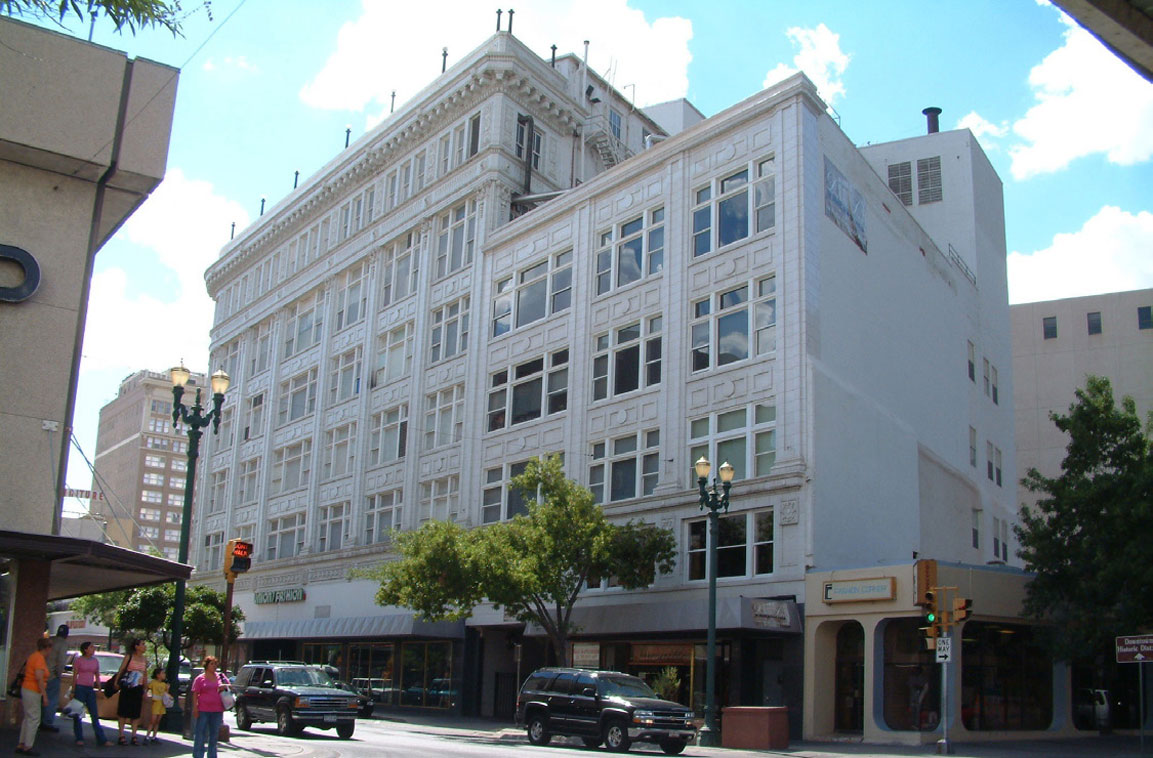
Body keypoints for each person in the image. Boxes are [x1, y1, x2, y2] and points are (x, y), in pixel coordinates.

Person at [16, 637, 53, 756]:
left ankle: (21, 743)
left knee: (28, 717)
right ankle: (28, 746)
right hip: (33, 690)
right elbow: (39, 678)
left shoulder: (33, 656)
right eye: (50, 648)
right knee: (34, 718)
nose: (51, 651)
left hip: (26, 688)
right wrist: (44, 695)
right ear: (46, 648)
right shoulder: (39, 659)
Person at [70, 641, 109, 747]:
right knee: (78, 714)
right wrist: (73, 690)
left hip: (90, 688)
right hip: (80, 688)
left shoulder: (95, 661)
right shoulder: (79, 660)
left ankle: (101, 739)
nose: (93, 649)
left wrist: (99, 689)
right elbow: (74, 676)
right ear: (85, 649)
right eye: (91, 647)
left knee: (94, 714)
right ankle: (79, 737)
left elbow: (97, 675)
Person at [191, 656, 230, 758]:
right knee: (200, 734)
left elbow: (230, 686)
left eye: (215, 664)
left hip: (217, 710)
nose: (214, 666)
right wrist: (195, 708)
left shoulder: (220, 677)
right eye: (211, 664)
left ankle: (212, 755)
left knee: (214, 735)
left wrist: (223, 686)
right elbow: (195, 693)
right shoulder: (200, 679)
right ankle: (198, 755)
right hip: (203, 709)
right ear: (206, 665)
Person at [114, 638, 148, 745]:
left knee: (135, 713)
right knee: (123, 711)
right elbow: (121, 669)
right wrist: (116, 682)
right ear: (136, 646)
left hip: (138, 687)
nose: (144, 646)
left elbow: (145, 674)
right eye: (142, 644)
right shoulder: (129, 657)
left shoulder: (144, 659)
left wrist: (145, 689)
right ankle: (121, 735)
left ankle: (134, 735)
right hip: (127, 687)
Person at [41, 624, 69, 732]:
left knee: (41, 699)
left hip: (41, 673)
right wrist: (59, 674)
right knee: (51, 700)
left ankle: (40, 720)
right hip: (52, 675)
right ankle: (47, 722)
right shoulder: (63, 644)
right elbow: (61, 661)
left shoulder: (50, 640)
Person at [145, 667, 169, 744]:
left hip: (162, 704)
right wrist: (147, 696)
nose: (164, 675)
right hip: (155, 703)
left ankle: (154, 736)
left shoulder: (164, 684)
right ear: (158, 675)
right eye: (162, 673)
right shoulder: (153, 682)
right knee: (152, 720)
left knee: (157, 721)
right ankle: (147, 736)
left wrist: (168, 689)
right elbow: (148, 689)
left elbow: (166, 694)